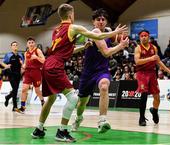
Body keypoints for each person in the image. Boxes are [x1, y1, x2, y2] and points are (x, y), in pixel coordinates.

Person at [31, 3, 128, 142]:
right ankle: (62, 131)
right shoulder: (74, 27)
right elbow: (97, 37)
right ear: (71, 14)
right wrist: (114, 33)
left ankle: (38, 129)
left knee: (51, 99)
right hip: (56, 66)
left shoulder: (56, 30)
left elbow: (65, 51)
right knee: (74, 98)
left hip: (48, 64)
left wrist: (83, 46)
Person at [71, 8, 129, 134]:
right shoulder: (96, 32)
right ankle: (78, 118)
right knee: (82, 102)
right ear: (94, 22)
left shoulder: (108, 31)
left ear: (106, 21)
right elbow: (106, 52)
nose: (101, 21)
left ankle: (102, 121)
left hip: (102, 70)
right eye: (98, 19)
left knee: (104, 86)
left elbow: (115, 38)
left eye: (103, 19)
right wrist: (121, 46)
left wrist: (122, 39)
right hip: (88, 72)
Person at [134, 30, 170, 126]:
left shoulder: (154, 48)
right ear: (140, 37)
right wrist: (150, 58)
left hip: (152, 73)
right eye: (142, 36)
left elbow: (158, 61)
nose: (144, 37)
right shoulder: (138, 48)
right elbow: (137, 61)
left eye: (145, 35)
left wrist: (168, 70)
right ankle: (141, 118)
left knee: (157, 97)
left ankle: (154, 110)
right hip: (142, 73)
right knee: (144, 94)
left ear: (149, 37)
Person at [17, 37, 45, 113]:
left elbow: (44, 61)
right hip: (28, 72)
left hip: (36, 72)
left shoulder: (38, 51)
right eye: (29, 42)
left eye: (32, 42)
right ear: (27, 44)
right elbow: (25, 64)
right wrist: (21, 65)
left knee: (37, 90)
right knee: (24, 89)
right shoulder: (26, 53)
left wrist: (36, 57)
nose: (31, 44)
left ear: (34, 43)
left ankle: (42, 101)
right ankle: (22, 107)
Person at [3, 41, 24, 111]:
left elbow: (23, 64)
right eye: (13, 45)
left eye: (16, 45)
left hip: (18, 75)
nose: (15, 46)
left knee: (15, 90)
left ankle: (8, 97)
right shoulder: (8, 55)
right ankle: (15, 107)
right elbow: (3, 63)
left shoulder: (20, 55)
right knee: (15, 89)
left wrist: (22, 65)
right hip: (11, 74)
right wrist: (6, 65)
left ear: (17, 47)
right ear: (11, 47)